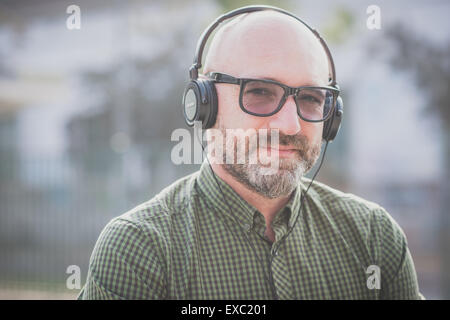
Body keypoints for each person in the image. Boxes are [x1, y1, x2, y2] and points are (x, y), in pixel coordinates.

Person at [78, 6, 423, 300]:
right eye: (259, 92)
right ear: (204, 105)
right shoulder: (139, 249)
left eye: (310, 98)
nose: (290, 126)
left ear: (331, 118)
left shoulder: (375, 237)